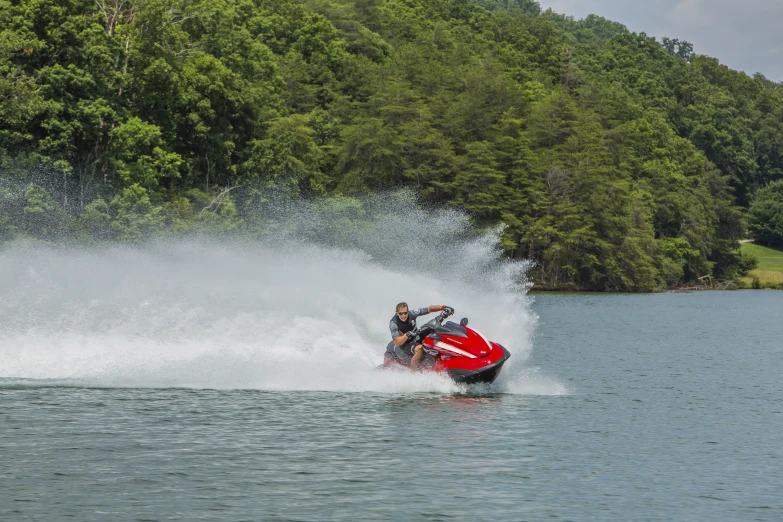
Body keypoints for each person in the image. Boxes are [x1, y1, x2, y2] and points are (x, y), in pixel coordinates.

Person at [388, 302, 448, 371]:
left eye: (405, 313)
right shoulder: (394, 323)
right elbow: (397, 342)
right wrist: (406, 335)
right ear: (397, 313)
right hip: (405, 343)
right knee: (419, 349)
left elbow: (429, 309)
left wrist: (443, 308)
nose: (403, 315)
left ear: (408, 311)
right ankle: (414, 371)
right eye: (400, 314)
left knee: (433, 334)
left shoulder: (412, 313)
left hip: (416, 336)